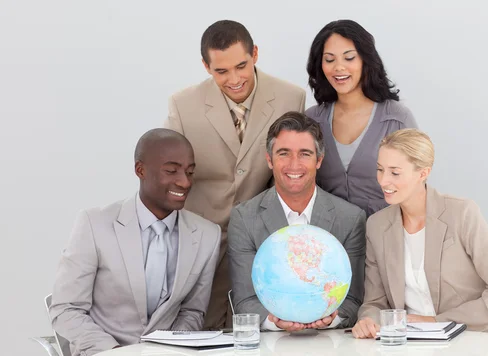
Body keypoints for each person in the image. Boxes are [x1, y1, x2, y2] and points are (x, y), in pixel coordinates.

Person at [165, 20, 306, 330]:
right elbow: (170, 175)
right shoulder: (183, 105)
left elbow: (290, 170)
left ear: (255, 54)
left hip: (263, 239)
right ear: (206, 66)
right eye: (221, 71)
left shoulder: (290, 97)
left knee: (265, 331)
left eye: (241, 66)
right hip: (201, 238)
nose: (235, 79)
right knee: (203, 329)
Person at [49, 129, 222, 355]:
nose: (185, 182)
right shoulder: (94, 224)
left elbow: (192, 311)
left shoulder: (208, 235)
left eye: (189, 172)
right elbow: (66, 309)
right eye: (171, 171)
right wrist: (115, 351)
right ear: (140, 170)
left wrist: (171, 350)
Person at [352, 129, 488, 339]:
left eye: (395, 173)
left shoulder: (461, 214)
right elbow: (375, 302)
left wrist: (435, 322)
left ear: (423, 173)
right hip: (413, 344)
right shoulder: (377, 226)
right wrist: (369, 320)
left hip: (477, 339)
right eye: (380, 169)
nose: (384, 181)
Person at [228, 112, 366, 331]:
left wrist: (332, 320)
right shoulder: (244, 218)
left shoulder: (350, 218)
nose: (294, 165)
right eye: (284, 153)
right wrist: (277, 324)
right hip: (269, 344)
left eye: (304, 154)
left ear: (319, 160)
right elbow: (244, 301)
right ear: (269, 160)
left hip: (331, 344)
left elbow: (354, 300)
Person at [305, 20, 417, 217]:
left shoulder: (397, 119)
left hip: (385, 239)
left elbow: (416, 189)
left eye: (349, 58)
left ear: (365, 61)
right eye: (329, 60)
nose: (339, 67)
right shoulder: (312, 120)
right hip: (329, 240)